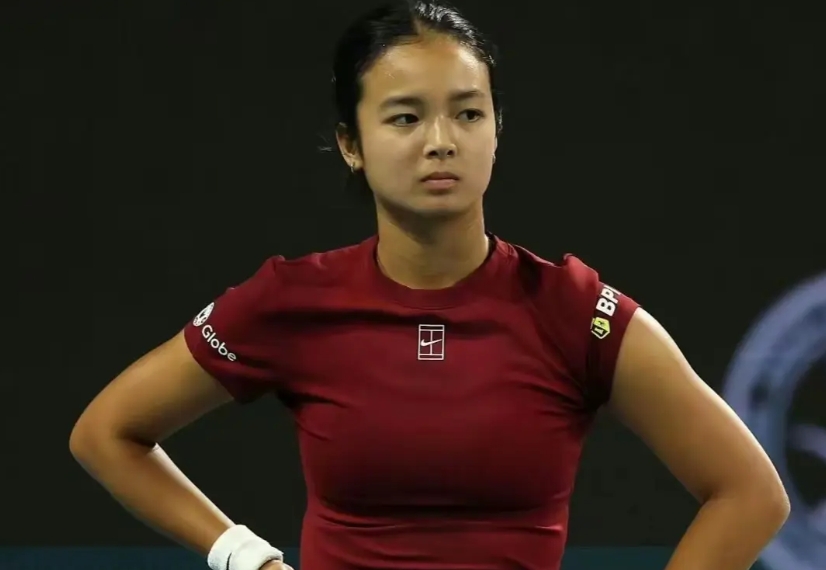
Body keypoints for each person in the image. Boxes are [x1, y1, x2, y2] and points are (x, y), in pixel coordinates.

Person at [69, 2, 790, 570]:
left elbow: (751, 493)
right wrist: (245, 557)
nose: (441, 140)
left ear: (497, 129)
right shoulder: (291, 301)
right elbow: (107, 434)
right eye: (406, 117)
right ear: (350, 143)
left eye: (469, 113)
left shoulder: (575, 312)